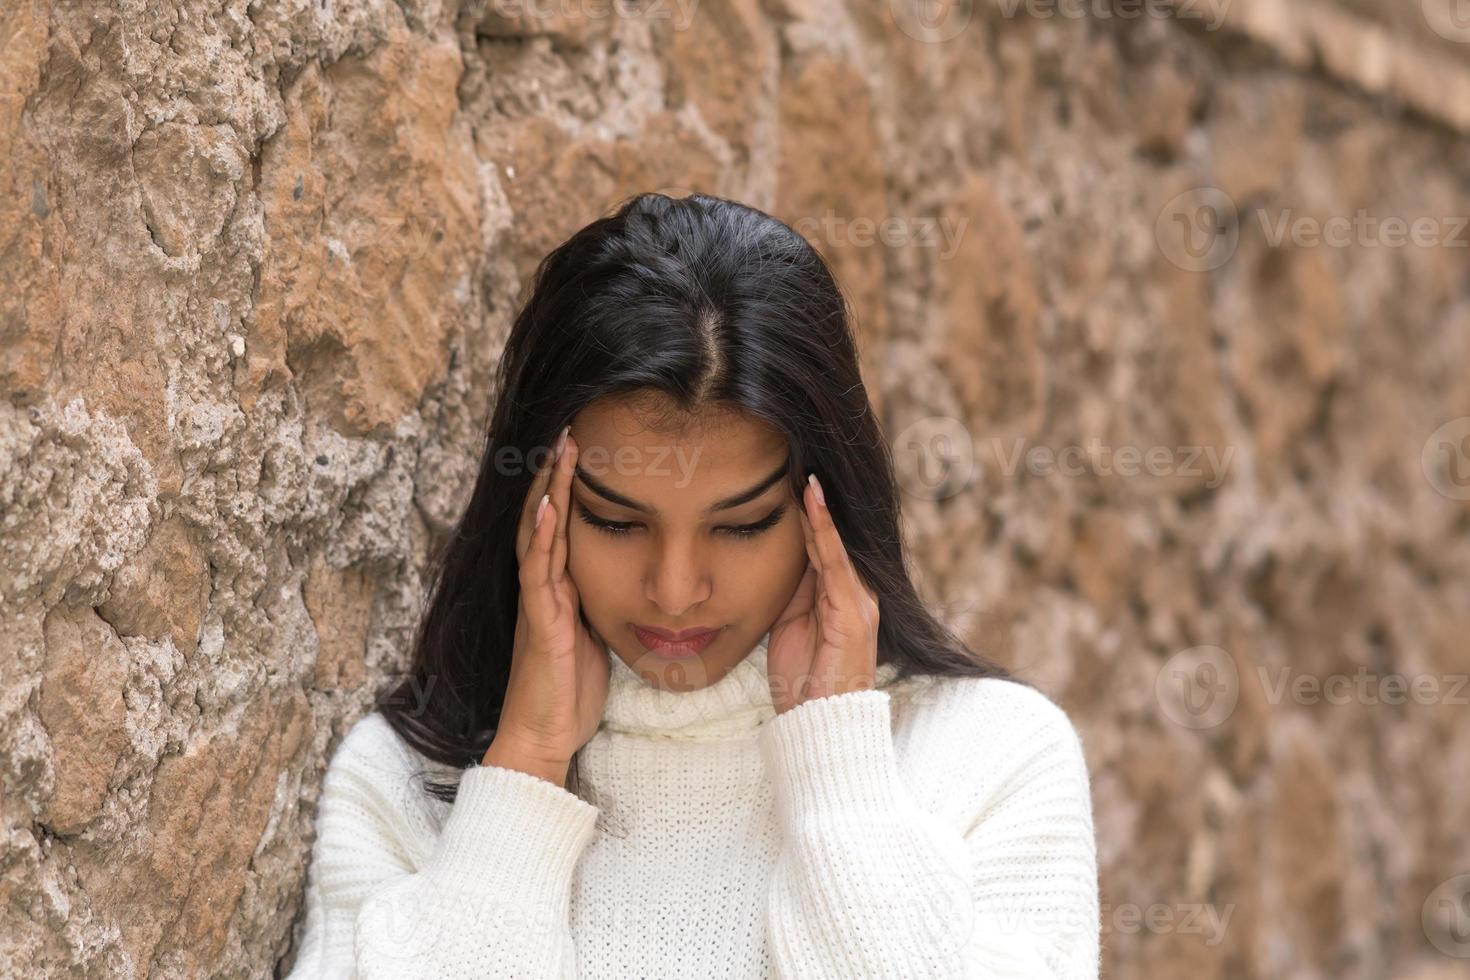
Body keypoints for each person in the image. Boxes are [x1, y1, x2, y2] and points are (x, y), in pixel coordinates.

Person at [281, 192, 1100, 979]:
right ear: (537, 506)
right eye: (616, 521)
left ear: (830, 511)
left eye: (741, 526)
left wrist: (839, 771)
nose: (674, 591)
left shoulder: (992, 758)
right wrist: (524, 771)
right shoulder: (405, 781)